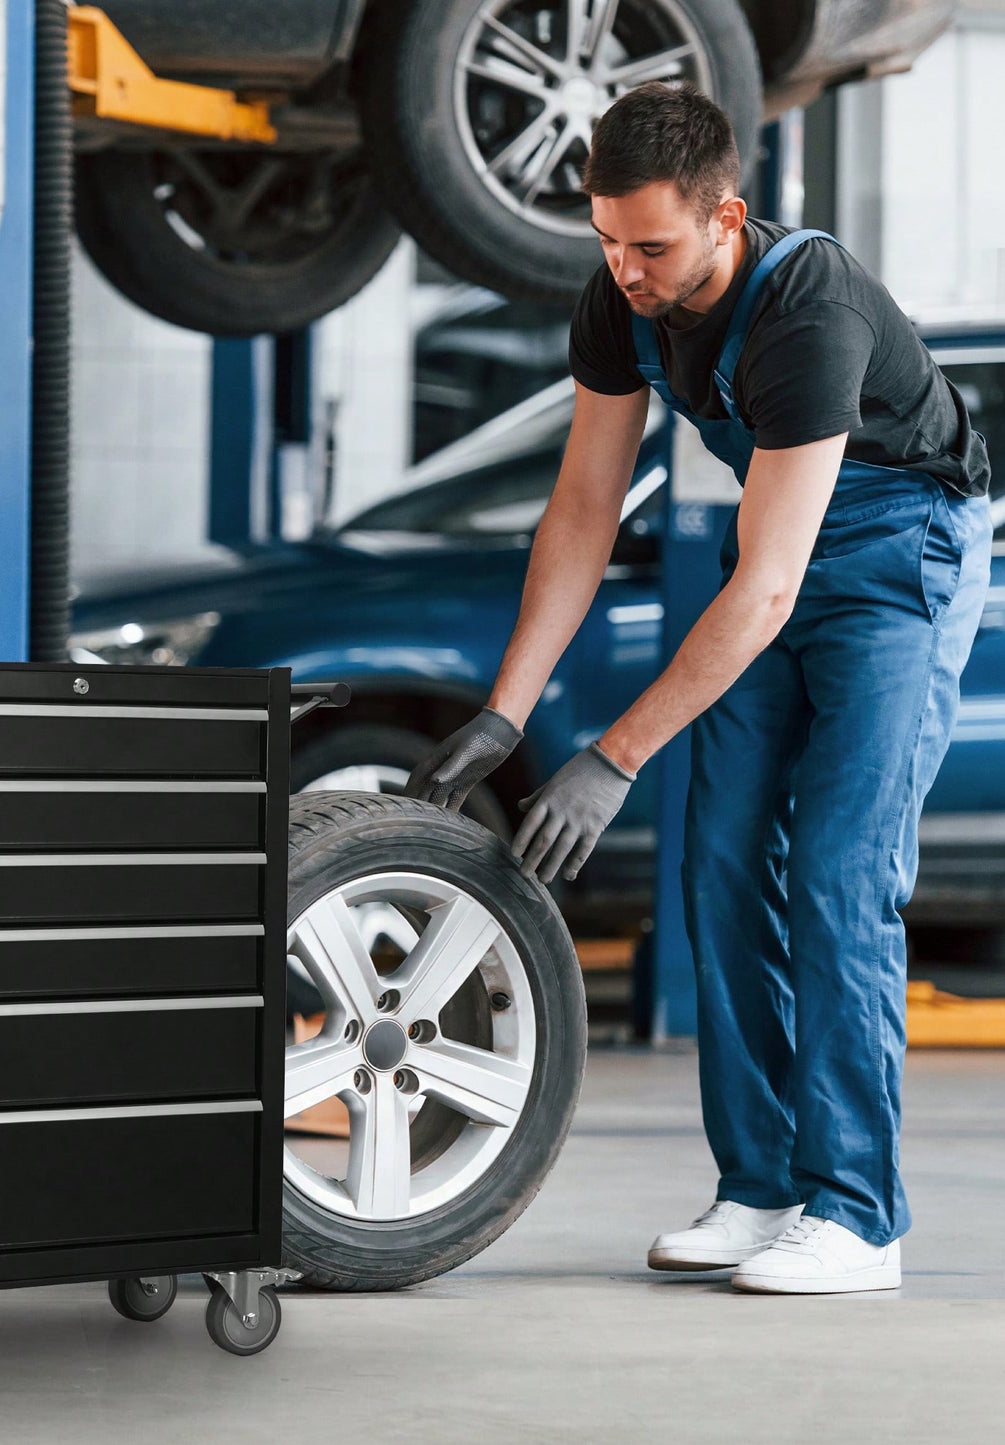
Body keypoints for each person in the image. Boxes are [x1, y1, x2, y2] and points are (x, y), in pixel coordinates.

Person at [406, 82, 992, 1295]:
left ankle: (855, 1214)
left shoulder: (807, 309)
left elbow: (769, 585)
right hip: (777, 552)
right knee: (720, 857)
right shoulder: (619, 298)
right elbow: (579, 507)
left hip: (898, 556)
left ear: (725, 216)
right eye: (606, 239)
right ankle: (760, 1185)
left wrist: (610, 753)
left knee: (835, 870)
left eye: (651, 244)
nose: (623, 266)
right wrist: (507, 707)